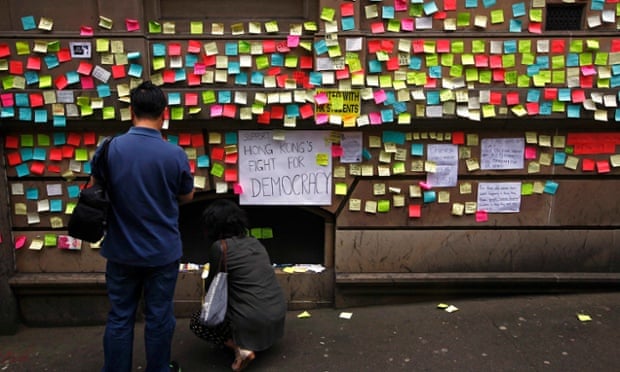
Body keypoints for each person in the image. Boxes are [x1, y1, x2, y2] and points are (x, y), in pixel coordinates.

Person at [92, 81, 194, 372]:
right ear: (164, 112)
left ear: (131, 111)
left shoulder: (109, 148)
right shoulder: (174, 154)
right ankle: (159, 368)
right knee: (160, 316)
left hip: (120, 250)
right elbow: (186, 195)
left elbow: (96, 189)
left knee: (120, 316)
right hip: (162, 252)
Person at [190, 199, 286, 371]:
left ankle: (240, 349)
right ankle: (253, 340)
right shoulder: (255, 242)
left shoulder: (220, 247)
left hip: (252, 320)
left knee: (198, 321)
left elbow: (212, 289)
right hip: (276, 315)